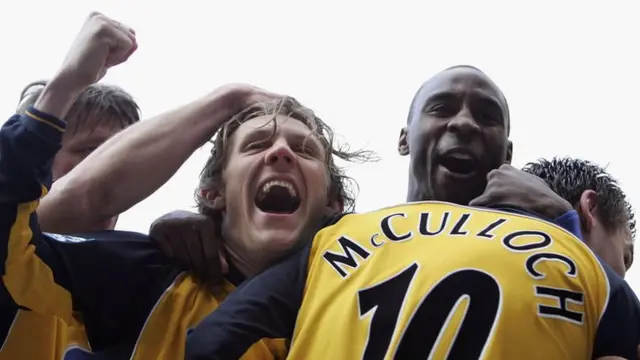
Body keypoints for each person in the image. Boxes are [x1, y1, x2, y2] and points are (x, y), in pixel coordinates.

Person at [184, 66, 640, 359]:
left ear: (508, 152)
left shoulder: (338, 241)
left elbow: (208, 345)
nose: (463, 123)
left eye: (486, 115)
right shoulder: (571, 256)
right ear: (404, 138)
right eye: (442, 108)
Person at [0, 12, 372, 360]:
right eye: (256, 145)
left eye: (304, 150)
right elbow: (15, 248)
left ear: (334, 202)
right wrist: (63, 87)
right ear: (214, 194)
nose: (280, 153)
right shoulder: (139, 274)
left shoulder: (369, 299)